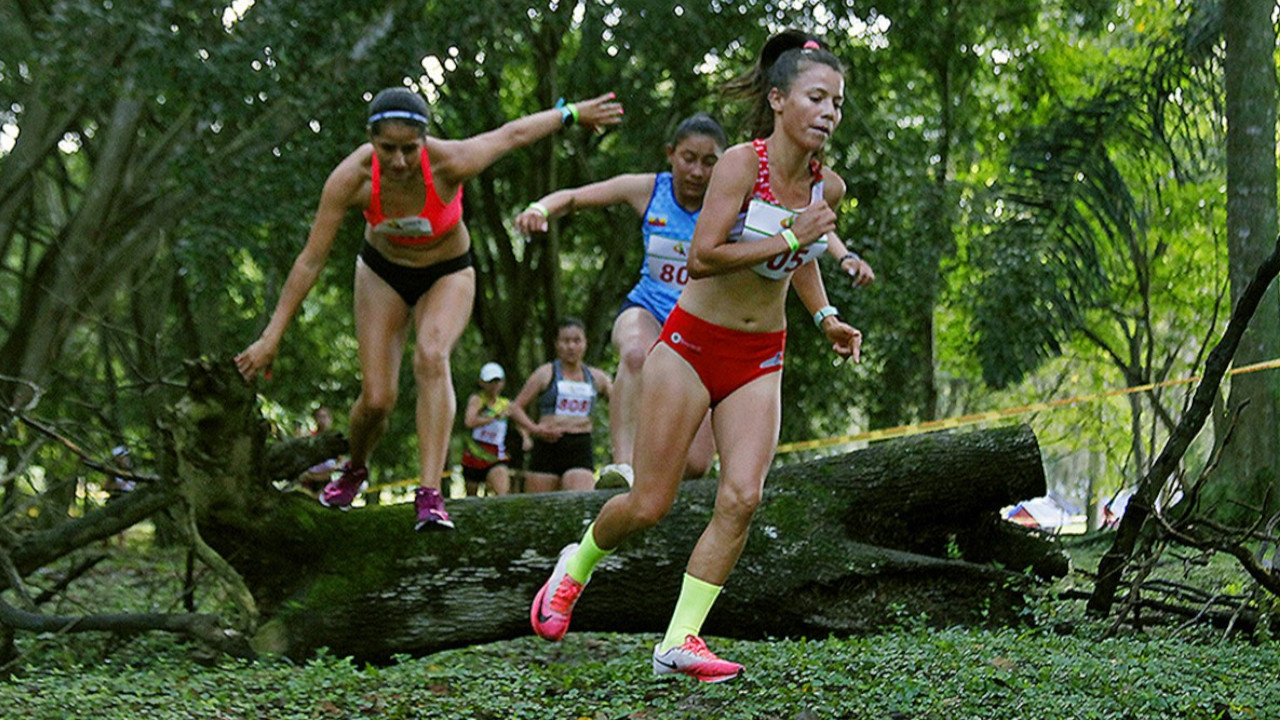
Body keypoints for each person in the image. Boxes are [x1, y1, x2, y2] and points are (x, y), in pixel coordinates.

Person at [528, 31, 861, 682]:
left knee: (741, 495)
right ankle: (576, 566)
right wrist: (795, 233)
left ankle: (679, 638)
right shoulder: (740, 164)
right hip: (688, 345)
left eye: (838, 103)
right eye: (817, 97)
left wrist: (824, 316)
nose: (829, 112)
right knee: (650, 502)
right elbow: (706, 254)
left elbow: (798, 261)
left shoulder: (830, 187)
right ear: (778, 100)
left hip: (761, 354)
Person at [235, 86, 624, 530]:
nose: (399, 162)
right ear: (370, 140)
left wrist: (573, 112)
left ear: (425, 140)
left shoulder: (451, 161)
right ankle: (356, 468)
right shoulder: (351, 179)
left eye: (409, 149)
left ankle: (430, 493)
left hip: (448, 272)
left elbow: (513, 134)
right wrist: (271, 337)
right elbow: (310, 259)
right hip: (381, 273)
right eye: (387, 149)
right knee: (378, 400)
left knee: (432, 355)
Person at [515, 116, 873, 488]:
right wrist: (540, 209)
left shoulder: (739, 192)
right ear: (671, 154)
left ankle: (649, 492)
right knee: (637, 353)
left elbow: (802, 225)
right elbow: (576, 196)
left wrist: (845, 256)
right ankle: (622, 467)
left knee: (698, 463)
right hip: (649, 309)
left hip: (702, 323)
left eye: (709, 162)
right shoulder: (650, 189)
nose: (697, 171)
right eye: (688, 158)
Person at [507, 318, 614, 493]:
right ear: (557, 344)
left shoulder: (597, 378)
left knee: (579, 505)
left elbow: (621, 405)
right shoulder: (545, 373)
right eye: (565, 341)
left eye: (576, 341)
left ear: (585, 343)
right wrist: (534, 429)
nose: (571, 347)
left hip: (580, 446)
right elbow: (515, 408)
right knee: (541, 510)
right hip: (547, 446)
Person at [460, 362, 513, 497]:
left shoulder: (506, 404)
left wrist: (526, 436)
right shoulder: (477, 399)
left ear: (503, 382)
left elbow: (520, 420)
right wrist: (493, 418)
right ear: (482, 383)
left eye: (497, 381)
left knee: (502, 494)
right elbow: (469, 421)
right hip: (473, 456)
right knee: (471, 498)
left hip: (496, 457)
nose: (494, 386)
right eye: (490, 382)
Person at [298, 406, 341, 496]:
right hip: (310, 479)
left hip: (326, 479)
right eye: (320, 417)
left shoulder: (335, 440)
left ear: (330, 419)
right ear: (315, 419)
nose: (323, 420)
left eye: (325, 417)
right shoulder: (310, 438)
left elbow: (339, 461)